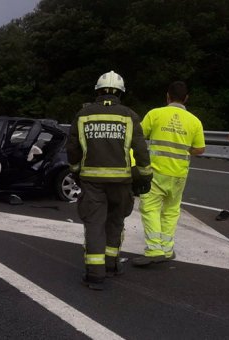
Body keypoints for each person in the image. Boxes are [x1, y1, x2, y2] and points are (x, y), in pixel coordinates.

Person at [66, 70, 152, 290]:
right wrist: (145, 173)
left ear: (97, 91)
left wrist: (75, 170)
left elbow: (73, 148)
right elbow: (141, 149)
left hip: (92, 181)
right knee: (115, 222)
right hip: (122, 182)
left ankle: (95, 275)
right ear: (120, 93)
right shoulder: (129, 115)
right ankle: (112, 265)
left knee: (95, 225)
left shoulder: (83, 115)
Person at [132, 81, 205, 266]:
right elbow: (200, 149)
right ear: (186, 98)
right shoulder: (194, 121)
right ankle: (167, 249)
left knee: (150, 209)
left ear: (167, 96)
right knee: (171, 211)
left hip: (156, 172)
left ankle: (155, 250)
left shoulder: (155, 114)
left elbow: (138, 137)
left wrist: (134, 164)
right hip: (179, 174)